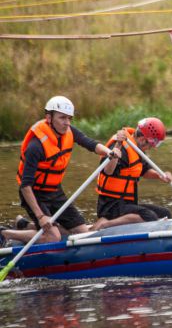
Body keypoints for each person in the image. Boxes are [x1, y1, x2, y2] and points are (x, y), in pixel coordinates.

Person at [0, 96, 117, 247]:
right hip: (35, 194)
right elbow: (25, 186)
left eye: (69, 118)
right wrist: (41, 216)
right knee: (53, 237)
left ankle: (27, 226)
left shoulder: (69, 131)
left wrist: (108, 152)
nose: (67, 123)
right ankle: (6, 233)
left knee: (83, 232)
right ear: (49, 117)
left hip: (55, 191)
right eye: (62, 118)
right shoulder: (35, 147)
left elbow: (91, 144)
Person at [91, 118, 172, 231]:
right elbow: (107, 171)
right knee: (150, 216)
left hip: (126, 203)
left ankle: (120, 222)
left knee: (165, 213)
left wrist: (160, 175)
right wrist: (117, 149)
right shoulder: (120, 147)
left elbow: (145, 171)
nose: (149, 149)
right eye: (149, 145)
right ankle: (105, 224)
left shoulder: (137, 149)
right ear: (142, 139)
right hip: (111, 205)